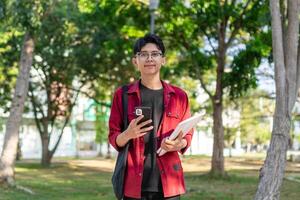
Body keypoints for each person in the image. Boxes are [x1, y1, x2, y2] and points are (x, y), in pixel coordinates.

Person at [109, 34, 193, 200]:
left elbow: (187, 137)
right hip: (133, 184)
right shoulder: (122, 95)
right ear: (135, 61)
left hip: (169, 184)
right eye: (143, 54)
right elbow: (114, 138)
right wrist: (128, 134)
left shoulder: (180, 96)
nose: (149, 58)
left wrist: (177, 144)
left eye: (155, 54)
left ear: (163, 60)